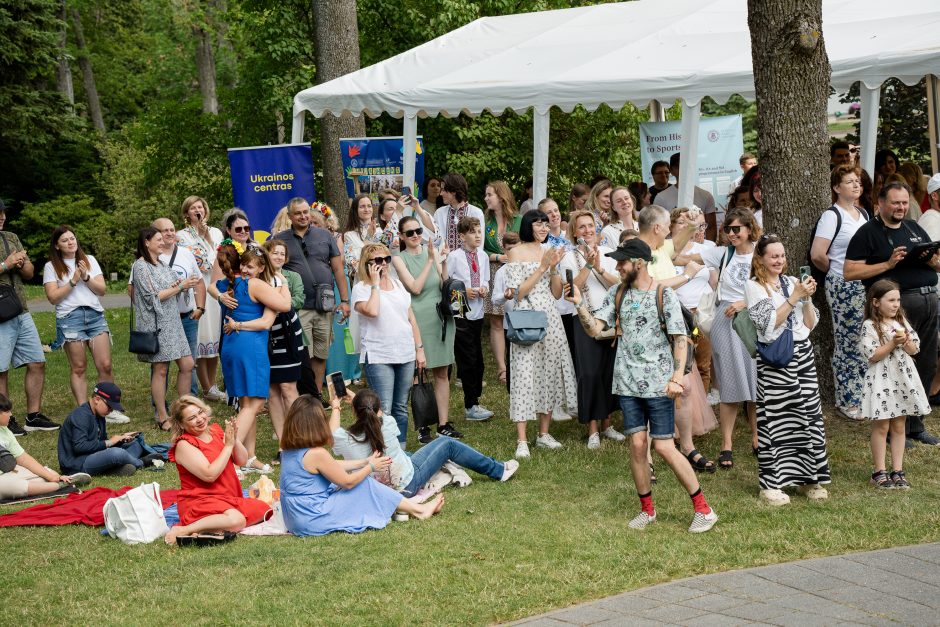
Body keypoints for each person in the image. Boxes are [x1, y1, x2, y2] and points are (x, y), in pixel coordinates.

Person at [568, 238, 718, 533]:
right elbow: (597, 330)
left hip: (660, 386)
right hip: (627, 384)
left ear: (638, 263)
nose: (617, 267)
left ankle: (704, 509)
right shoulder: (618, 293)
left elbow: (680, 339)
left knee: (663, 446)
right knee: (637, 445)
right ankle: (647, 510)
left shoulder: (664, 294)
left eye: (622, 262)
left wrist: (676, 378)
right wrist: (579, 306)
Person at [844, 181, 940, 446]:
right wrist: (887, 264)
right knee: (895, 368)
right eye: (896, 202)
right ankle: (893, 430)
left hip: (929, 299)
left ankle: (915, 426)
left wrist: (933, 261)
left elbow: (937, 265)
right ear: (881, 203)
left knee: (926, 362)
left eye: (905, 202)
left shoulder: (914, 227)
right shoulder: (868, 233)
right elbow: (849, 272)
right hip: (897, 307)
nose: (901, 207)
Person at [280, 393, 444, 536]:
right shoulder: (317, 454)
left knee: (346, 483)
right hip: (312, 517)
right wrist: (370, 467)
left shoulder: (288, 451)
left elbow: (331, 465)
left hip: (294, 518)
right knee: (364, 483)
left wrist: (365, 461)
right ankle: (419, 510)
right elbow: (347, 482)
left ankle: (403, 506)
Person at [745, 234, 830, 506]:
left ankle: (809, 479)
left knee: (808, 415)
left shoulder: (793, 281)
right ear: (760, 258)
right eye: (773, 256)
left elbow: (809, 323)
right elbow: (767, 325)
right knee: (776, 419)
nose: (779, 260)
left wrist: (806, 298)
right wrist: (794, 297)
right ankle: (770, 484)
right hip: (775, 359)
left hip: (802, 353)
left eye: (782, 255)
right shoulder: (753, 287)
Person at [332, 389, 516, 498]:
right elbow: (373, 414)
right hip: (405, 485)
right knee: (447, 444)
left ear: (354, 412)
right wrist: (356, 398)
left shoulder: (343, 438)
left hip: (376, 491)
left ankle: (457, 468)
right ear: (379, 409)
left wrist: (335, 407)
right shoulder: (387, 424)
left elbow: (331, 433)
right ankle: (498, 470)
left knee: (408, 455)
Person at [684, 208, 760, 469]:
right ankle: (726, 444)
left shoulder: (761, 252)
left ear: (750, 228)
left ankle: (757, 437)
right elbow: (682, 256)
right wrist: (683, 230)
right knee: (728, 382)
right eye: (727, 229)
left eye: (736, 229)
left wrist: (745, 302)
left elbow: (773, 285)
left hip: (753, 319)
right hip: (725, 319)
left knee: (755, 382)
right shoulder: (722, 253)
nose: (731, 234)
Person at [505, 210, 578, 459]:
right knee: (524, 374)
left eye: (546, 224)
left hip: (550, 316)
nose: (544, 228)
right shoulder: (515, 252)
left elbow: (557, 293)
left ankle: (544, 433)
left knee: (548, 373)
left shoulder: (549, 250)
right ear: (528, 226)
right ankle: (522, 439)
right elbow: (518, 293)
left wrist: (554, 268)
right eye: (538, 223)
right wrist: (542, 267)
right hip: (526, 316)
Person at [217, 243, 291, 472]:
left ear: (261, 267)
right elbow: (286, 305)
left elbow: (212, 286)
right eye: (244, 266)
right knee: (257, 402)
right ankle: (226, 452)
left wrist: (219, 296)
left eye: (250, 266)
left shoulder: (232, 283)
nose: (246, 270)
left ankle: (248, 457)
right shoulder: (256, 284)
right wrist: (284, 285)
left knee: (247, 403)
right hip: (250, 347)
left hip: (233, 344)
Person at [164, 395, 272, 545]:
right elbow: (209, 475)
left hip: (227, 497)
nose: (200, 419)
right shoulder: (184, 444)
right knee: (238, 520)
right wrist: (227, 446)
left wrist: (234, 440)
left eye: (200, 412)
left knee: (265, 510)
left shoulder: (215, 430)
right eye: (192, 418)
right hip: (200, 500)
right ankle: (185, 529)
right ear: (181, 424)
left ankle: (212, 528)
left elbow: (241, 461)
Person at [43, 226, 123, 421]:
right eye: (65, 240)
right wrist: (73, 281)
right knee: (79, 367)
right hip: (70, 318)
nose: (71, 242)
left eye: (72, 238)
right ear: (57, 245)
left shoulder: (89, 260)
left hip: (95, 315)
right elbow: (53, 298)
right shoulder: (51, 266)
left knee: (105, 365)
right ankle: (84, 412)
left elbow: (102, 290)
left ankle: (108, 408)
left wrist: (86, 277)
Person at [809, 165, 870, 420]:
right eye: (849, 181)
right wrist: (838, 273)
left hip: (865, 282)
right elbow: (818, 255)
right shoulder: (832, 216)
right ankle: (847, 400)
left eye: (858, 181)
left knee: (864, 339)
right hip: (843, 284)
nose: (856, 185)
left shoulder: (863, 213)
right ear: (836, 187)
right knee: (847, 342)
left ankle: (864, 395)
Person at [352, 243, 427, 448]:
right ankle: (382, 450)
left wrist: (419, 348)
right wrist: (375, 283)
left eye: (387, 259)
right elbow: (373, 311)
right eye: (378, 261)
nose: (384, 264)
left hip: (405, 352)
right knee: (382, 408)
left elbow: (410, 317)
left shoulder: (398, 284)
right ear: (367, 264)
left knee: (401, 406)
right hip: (378, 355)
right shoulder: (361, 288)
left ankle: (400, 449)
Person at [274, 198, 350, 396]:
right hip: (298, 307)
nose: (303, 216)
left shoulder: (325, 236)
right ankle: (302, 396)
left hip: (324, 305)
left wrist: (344, 300)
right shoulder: (281, 239)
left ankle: (315, 396)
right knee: (302, 354)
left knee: (321, 353)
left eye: (306, 212)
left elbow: (338, 269)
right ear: (290, 216)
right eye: (298, 213)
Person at [559, 210, 622, 449]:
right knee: (589, 373)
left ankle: (607, 425)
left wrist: (600, 267)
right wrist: (587, 265)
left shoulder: (608, 253)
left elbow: (619, 284)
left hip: (610, 319)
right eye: (582, 227)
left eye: (591, 226)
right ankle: (592, 429)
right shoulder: (568, 257)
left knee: (610, 371)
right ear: (575, 232)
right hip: (584, 319)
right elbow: (572, 288)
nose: (587, 230)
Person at [391, 216, 456, 444]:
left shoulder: (433, 252)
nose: (416, 235)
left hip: (440, 317)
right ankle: (422, 428)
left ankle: (443, 424)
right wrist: (430, 260)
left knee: (442, 372)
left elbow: (443, 284)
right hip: (418, 319)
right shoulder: (399, 259)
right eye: (409, 233)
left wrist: (443, 260)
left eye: (418, 230)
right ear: (401, 236)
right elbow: (415, 288)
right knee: (419, 374)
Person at [860, 280, 927, 490]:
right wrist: (892, 343)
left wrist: (906, 342)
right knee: (882, 426)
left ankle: (897, 470)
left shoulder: (901, 322)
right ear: (876, 302)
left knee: (899, 425)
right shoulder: (870, 326)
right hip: (882, 380)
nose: (896, 304)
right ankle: (879, 471)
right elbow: (872, 355)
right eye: (891, 300)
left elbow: (914, 350)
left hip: (902, 381)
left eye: (898, 299)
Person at [130, 227, 195, 431]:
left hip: (172, 321)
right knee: (161, 368)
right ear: (146, 242)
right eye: (158, 239)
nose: (162, 242)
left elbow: (171, 285)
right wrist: (181, 286)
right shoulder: (140, 267)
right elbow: (152, 296)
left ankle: (184, 410)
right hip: (157, 323)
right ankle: (162, 414)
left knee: (187, 364)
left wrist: (180, 284)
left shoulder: (162, 264)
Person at [0, 204, 56, 436]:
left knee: (36, 361)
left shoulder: (11, 237)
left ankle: (33, 416)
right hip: (0, 313)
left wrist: (23, 264)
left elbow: (30, 272)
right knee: (0, 369)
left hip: (20, 309)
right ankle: (5, 420)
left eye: (3, 213)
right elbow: (7, 265)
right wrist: (6, 264)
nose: (2, 217)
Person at [668, 209, 718, 467]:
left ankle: (699, 415)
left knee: (702, 362)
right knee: (683, 368)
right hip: (679, 314)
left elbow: (713, 280)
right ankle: (676, 426)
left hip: (700, 315)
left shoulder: (706, 247)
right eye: (679, 222)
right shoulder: (669, 251)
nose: (685, 226)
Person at [176, 195, 226, 401]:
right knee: (201, 337)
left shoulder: (215, 232)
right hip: (197, 287)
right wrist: (200, 238)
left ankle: (212, 385)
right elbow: (199, 261)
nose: (198, 210)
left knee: (214, 336)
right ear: (187, 213)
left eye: (201, 207)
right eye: (193, 208)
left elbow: (220, 257)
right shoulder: (182, 236)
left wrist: (206, 235)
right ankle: (205, 386)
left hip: (215, 285)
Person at [58, 382, 160, 477]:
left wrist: (120, 439)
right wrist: (109, 442)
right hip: (76, 464)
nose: (111, 411)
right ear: (97, 399)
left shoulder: (99, 415)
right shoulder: (81, 415)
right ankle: (141, 463)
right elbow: (80, 447)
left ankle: (112, 468)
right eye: (109, 407)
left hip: (93, 456)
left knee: (135, 443)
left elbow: (101, 444)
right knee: (117, 453)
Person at [151, 217, 205, 397]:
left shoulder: (186, 253)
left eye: (172, 229)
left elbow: (198, 282)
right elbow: (133, 290)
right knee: (161, 366)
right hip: (163, 321)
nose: (170, 233)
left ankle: (191, 402)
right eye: (164, 230)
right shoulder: (149, 259)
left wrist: (200, 307)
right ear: (155, 234)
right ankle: (160, 407)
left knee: (189, 363)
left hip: (186, 317)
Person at [447, 216, 493, 423]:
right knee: (467, 357)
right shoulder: (455, 257)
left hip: (477, 311)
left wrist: (483, 288)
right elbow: (447, 282)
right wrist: (464, 291)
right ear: (462, 235)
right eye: (473, 232)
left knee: (478, 358)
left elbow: (485, 279)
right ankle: (470, 404)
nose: (477, 236)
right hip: (461, 311)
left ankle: (476, 400)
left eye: (479, 232)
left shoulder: (482, 256)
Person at [0, 393, 91, 499]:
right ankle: (59, 486)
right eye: (7, 412)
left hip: (10, 471)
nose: (11, 415)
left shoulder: (5, 431)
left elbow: (23, 458)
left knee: (46, 474)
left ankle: (52, 484)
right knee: (15, 486)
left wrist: (51, 476)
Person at [483, 181, 522, 385]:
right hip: (493, 270)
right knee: (496, 321)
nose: (486, 198)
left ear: (501, 196)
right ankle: (502, 368)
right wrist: (497, 257)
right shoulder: (485, 221)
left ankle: (519, 361)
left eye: (490, 194)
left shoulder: (519, 219)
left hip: (517, 272)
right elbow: (480, 248)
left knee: (516, 316)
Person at [655, 153, 718, 240]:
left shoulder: (706, 196)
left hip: (700, 248)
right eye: (678, 166)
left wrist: (708, 248)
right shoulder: (661, 198)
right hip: (673, 249)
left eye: (687, 166)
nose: (683, 169)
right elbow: (659, 228)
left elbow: (711, 227)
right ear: (672, 171)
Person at [434, 173, 486, 253]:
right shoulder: (439, 213)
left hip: (468, 263)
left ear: (454, 191)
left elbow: (479, 244)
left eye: (444, 190)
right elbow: (436, 241)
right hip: (445, 263)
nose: (441, 193)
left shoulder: (476, 212)